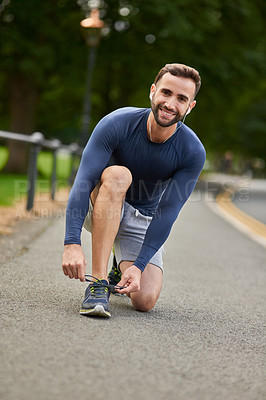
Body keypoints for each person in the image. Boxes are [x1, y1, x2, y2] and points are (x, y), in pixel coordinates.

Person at [62, 63, 206, 318]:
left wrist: (139, 265)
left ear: (190, 106)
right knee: (120, 175)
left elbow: (168, 212)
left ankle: (121, 263)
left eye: (181, 98)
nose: (170, 104)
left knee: (145, 300)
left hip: (142, 216)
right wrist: (71, 242)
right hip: (101, 205)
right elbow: (83, 182)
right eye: (166, 93)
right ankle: (98, 284)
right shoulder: (117, 123)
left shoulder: (192, 151)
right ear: (153, 91)